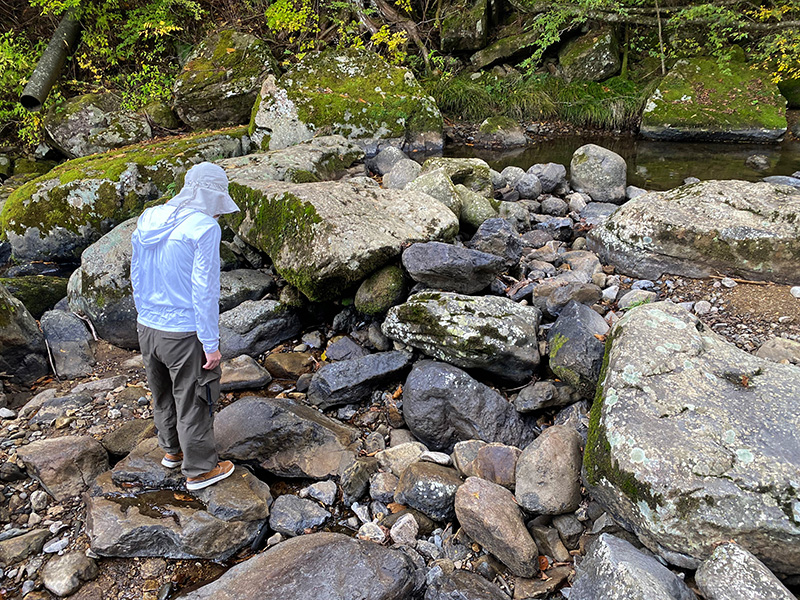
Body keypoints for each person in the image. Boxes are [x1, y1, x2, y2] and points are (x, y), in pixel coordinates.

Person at [130, 162, 239, 491]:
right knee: (195, 397)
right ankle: (200, 469)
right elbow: (204, 289)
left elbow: (136, 273)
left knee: (162, 392)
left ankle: (172, 451)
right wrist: (210, 342)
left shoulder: (149, 217)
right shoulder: (204, 228)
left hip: (147, 325)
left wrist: (143, 315)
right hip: (183, 330)